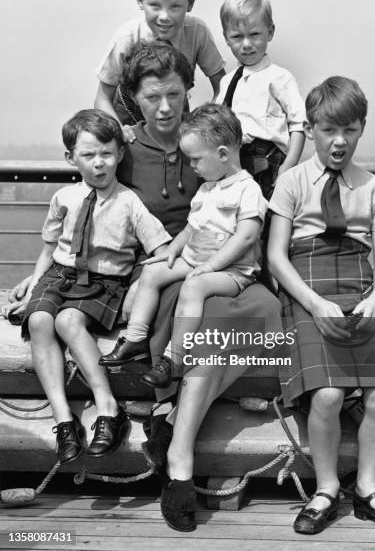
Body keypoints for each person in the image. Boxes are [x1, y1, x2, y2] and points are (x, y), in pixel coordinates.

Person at [6, 42, 284, 532]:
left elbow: (251, 214)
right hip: (166, 269)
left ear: (188, 92)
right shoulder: (124, 149)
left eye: (175, 94)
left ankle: (174, 425)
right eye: (152, 96)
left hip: (228, 265)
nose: (165, 107)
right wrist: (44, 270)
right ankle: (179, 460)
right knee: (206, 318)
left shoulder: (209, 138)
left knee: (260, 313)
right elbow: (93, 208)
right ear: (134, 97)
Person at [267, 76, 375, 535]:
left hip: (359, 285)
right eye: (329, 129)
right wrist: (312, 304)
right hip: (307, 289)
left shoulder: (371, 186)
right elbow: (275, 256)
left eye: (350, 130)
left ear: (361, 129)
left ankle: (369, 491)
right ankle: (326, 489)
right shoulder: (291, 182)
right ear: (311, 129)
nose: (339, 141)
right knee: (328, 395)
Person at [5, 109, 171, 465]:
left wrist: (139, 285)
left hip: (104, 283)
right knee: (38, 322)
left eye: (107, 154)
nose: (99, 164)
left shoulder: (129, 202)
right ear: (71, 158)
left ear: (119, 154)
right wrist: (33, 286)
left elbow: (161, 250)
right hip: (59, 276)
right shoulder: (64, 198)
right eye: (89, 155)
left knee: (67, 322)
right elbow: (50, 250)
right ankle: (64, 419)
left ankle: (109, 409)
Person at [101, 104, 267, 388]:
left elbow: (247, 237)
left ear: (223, 155)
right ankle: (136, 337)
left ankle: (173, 358)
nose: (191, 166)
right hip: (194, 260)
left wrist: (210, 267)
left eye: (196, 159)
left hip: (231, 271)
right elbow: (191, 228)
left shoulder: (247, 189)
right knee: (151, 274)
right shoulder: (206, 188)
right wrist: (171, 251)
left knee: (193, 287)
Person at [94, 0, 225, 136]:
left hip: (173, 111)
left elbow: (223, 86)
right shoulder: (126, 37)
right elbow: (102, 99)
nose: (164, 17)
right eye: (155, 5)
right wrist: (119, 131)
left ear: (190, 2)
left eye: (175, 7)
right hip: (127, 117)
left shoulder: (197, 32)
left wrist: (207, 123)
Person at [216, 0, 306, 200]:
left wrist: (289, 166)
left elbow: (298, 125)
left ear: (270, 32)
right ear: (226, 38)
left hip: (271, 162)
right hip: (236, 162)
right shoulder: (227, 82)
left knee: (270, 222)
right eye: (237, 36)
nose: (246, 44)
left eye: (255, 34)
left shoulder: (280, 78)